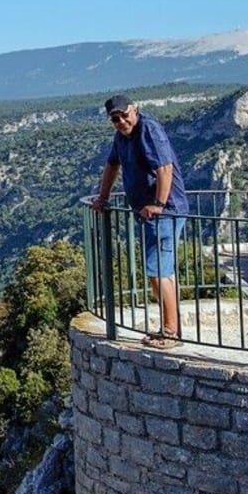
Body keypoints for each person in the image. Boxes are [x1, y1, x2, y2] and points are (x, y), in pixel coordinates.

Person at [91, 93, 189, 348]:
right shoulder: (122, 136)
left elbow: (164, 169)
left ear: (135, 110)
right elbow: (112, 166)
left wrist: (158, 205)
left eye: (125, 115)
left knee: (156, 271)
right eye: (116, 118)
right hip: (152, 213)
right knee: (162, 271)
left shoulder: (149, 129)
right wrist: (102, 197)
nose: (122, 121)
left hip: (164, 212)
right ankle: (170, 325)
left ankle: (170, 333)